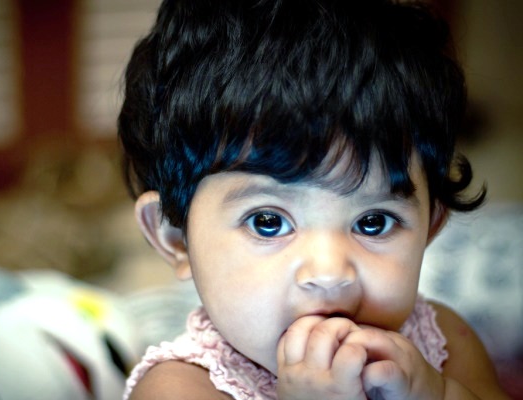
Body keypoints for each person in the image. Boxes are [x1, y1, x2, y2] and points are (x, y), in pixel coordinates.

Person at [117, 0, 509, 398]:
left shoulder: (443, 341)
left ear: (431, 225)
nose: (329, 273)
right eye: (267, 222)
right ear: (177, 239)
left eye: (373, 222)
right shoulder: (180, 388)